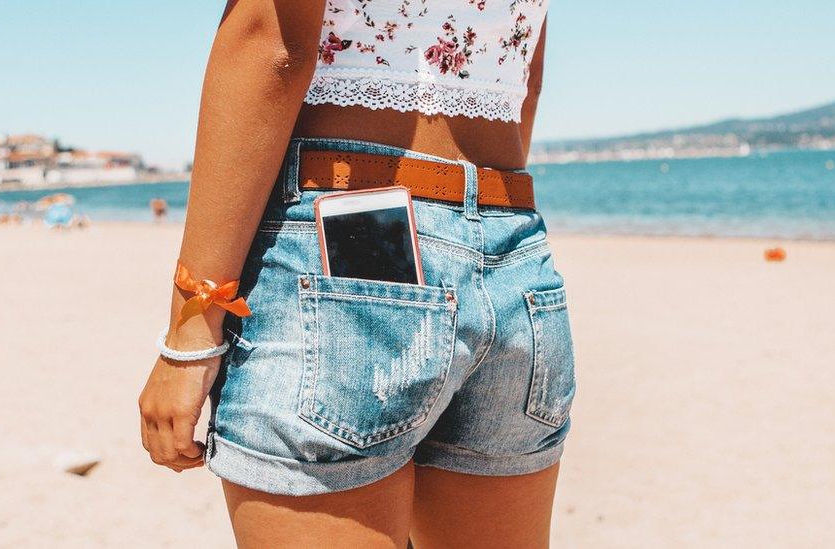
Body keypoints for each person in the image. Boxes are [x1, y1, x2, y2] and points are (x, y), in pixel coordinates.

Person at [138, 1, 575, 547]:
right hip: (512, 250)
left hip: (351, 239)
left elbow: (269, 43)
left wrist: (191, 329)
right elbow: (523, 82)